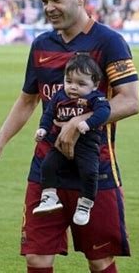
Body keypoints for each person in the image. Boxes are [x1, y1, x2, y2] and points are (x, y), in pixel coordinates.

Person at [0, 0, 139, 273]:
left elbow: (131, 101)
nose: (49, 8)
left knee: (100, 259)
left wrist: (81, 124)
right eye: (44, 1)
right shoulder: (41, 46)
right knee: (37, 257)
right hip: (46, 169)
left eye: (56, 0)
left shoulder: (109, 42)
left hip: (95, 169)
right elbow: (27, 100)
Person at [32, 55, 111, 227]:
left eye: (81, 84)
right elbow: (48, 114)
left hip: (87, 144)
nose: (73, 87)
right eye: (69, 81)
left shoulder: (95, 98)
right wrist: (43, 129)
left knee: (90, 172)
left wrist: (87, 123)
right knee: (47, 165)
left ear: (95, 85)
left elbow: (105, 112)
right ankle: (49, 196)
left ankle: (85, 204)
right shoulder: (59, 96)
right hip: (60, 142)